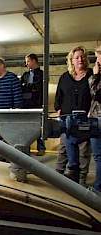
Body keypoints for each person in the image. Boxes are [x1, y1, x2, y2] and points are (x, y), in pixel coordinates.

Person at [54, 46, 92, 184]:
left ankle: (81, 181)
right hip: (66, 120)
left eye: (82, 57)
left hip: (85, 120)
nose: (80, 59)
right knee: (63, 150)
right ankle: (57, 178)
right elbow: (58, 97)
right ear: (71, 60)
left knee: (83, 151)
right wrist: (58, 110)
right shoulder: (65, 77)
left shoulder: (91, 75)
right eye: (77, 57)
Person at [0, 57, 23, 161]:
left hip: (10, 115)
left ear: (2, 66)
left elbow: (17, 98)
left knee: (10, 140)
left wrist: (15, 113)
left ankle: (12, 162)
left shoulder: (12, 78)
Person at [21, 53, 46, 156]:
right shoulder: (25, 75)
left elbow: (38, 88)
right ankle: (27, 148)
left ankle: (41, 148)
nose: (26, 64)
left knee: (39, 126)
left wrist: (28, 86)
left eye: (28, 61)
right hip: (26, 104)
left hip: (37, 104)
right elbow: (21, 88)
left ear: (34, 61)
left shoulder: (42, 74)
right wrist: (30, 87)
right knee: (26, 127)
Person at [88, 45, 101, 192]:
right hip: (94, 118)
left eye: (98, 58)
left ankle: (98, 189)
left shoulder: (97, 75)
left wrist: (96, 75)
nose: (97, 61)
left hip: (99, 118)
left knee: (98, 156)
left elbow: (96, 95)